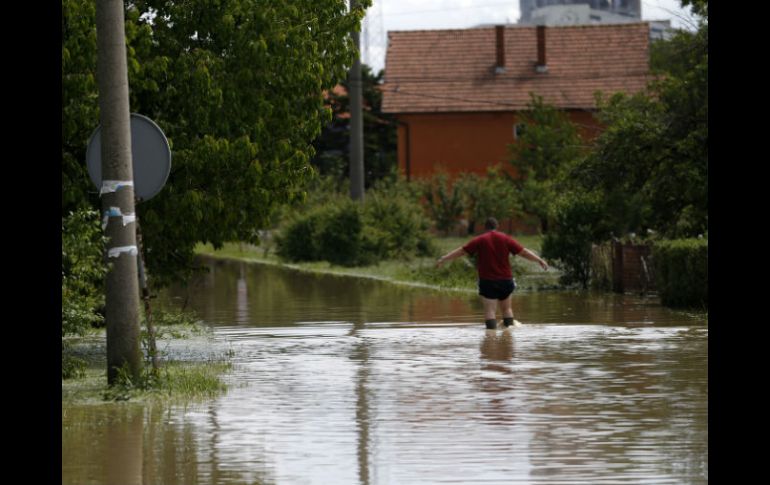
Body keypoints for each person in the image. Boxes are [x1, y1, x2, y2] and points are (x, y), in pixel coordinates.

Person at [436, 217, 548, 329]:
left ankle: (490, 338)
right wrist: (539, 260)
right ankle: (509, 336)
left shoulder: (480, 239)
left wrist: (444, 258)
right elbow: (523, 252)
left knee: (490, 310)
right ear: (497, 226)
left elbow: (462, 251)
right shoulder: (505, 238)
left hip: (487, 281)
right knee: (507, 309)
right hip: (505, 280)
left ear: (485, 228)